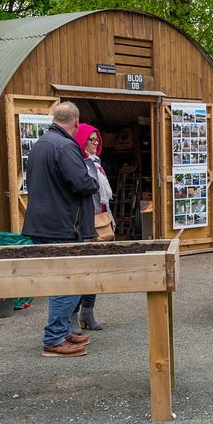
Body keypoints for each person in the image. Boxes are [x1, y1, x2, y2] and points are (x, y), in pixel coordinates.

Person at [22, 101, 100, 357]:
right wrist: (92, 180)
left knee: (61, 280)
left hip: (41, 225)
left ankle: (64, 330)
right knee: (69, 280)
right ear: (76, 123)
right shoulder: (65, 146)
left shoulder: (40, 145)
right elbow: (82, 183)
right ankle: (54, 338)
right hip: (62, 225)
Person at [72, 123, 115, 331]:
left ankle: (87, 314)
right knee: (82, 271)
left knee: (96, 270)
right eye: (91, 139)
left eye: (97, 139)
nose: (95, 143)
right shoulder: (79, 163)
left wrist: (110, 220)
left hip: (101, 221)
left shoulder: (97, 163)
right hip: (85, 224)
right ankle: (73, 316)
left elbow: (104, 197)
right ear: (81, 139)